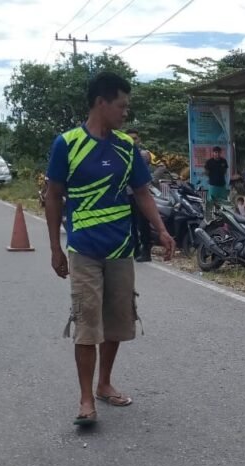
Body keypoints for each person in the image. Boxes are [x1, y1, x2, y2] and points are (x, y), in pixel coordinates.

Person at [45, 71, 175, 427]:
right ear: (101, 102)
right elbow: (53, 196)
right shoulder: (67, 144)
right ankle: (86, 399)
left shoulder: (125, 146)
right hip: (84, 249)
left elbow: (143, 193)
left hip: (121, 249)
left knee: (117, 322)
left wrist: (161, 230)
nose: (125, 113)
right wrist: (56, 249)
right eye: (121, 105)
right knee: (87, 323)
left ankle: (104, 384)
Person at [126, 129, 154, 263]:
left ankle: (146, 251)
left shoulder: (144, 154)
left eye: (135, 138)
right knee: (131, 223)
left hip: (142, 194)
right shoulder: (122, 153)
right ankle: (135, 249)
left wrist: (151, 180)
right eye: (130, 138)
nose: (133, 141)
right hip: (127, 194)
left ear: (139, 140)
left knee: (143, 223)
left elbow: (160, 166)